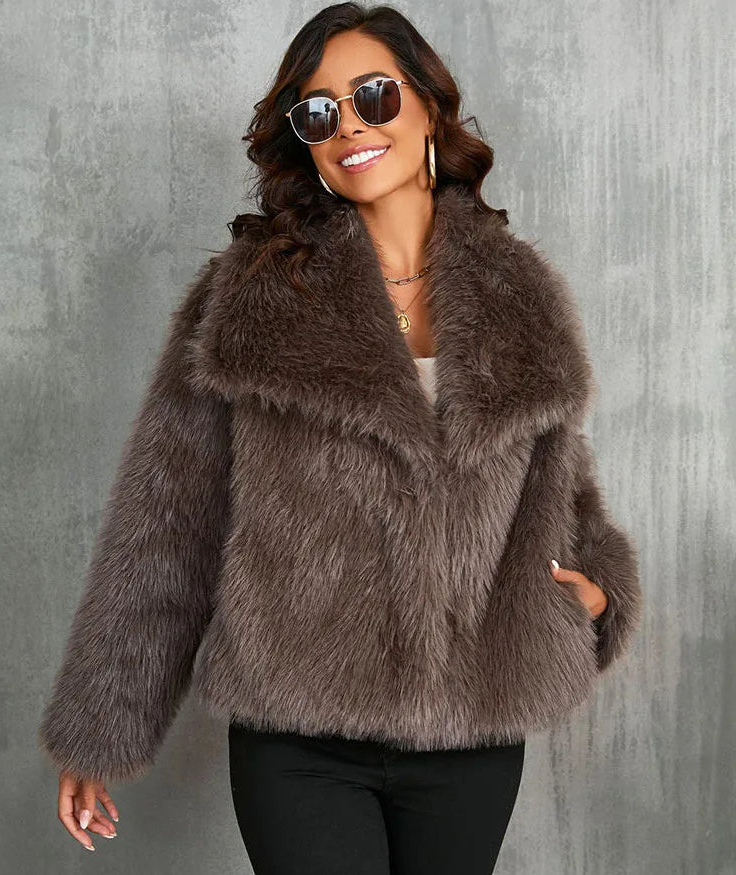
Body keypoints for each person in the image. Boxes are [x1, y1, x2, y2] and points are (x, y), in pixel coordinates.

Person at [37, 4, 643, 873]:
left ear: (429, 106)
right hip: (298, 733)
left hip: (472, 726)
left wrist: (598, 594)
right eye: (319, 113)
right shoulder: (250, 298)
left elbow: (561, 494)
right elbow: (167, 521)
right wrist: (102, 724)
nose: (350, 125)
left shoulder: (521, 292)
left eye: (374, 96)